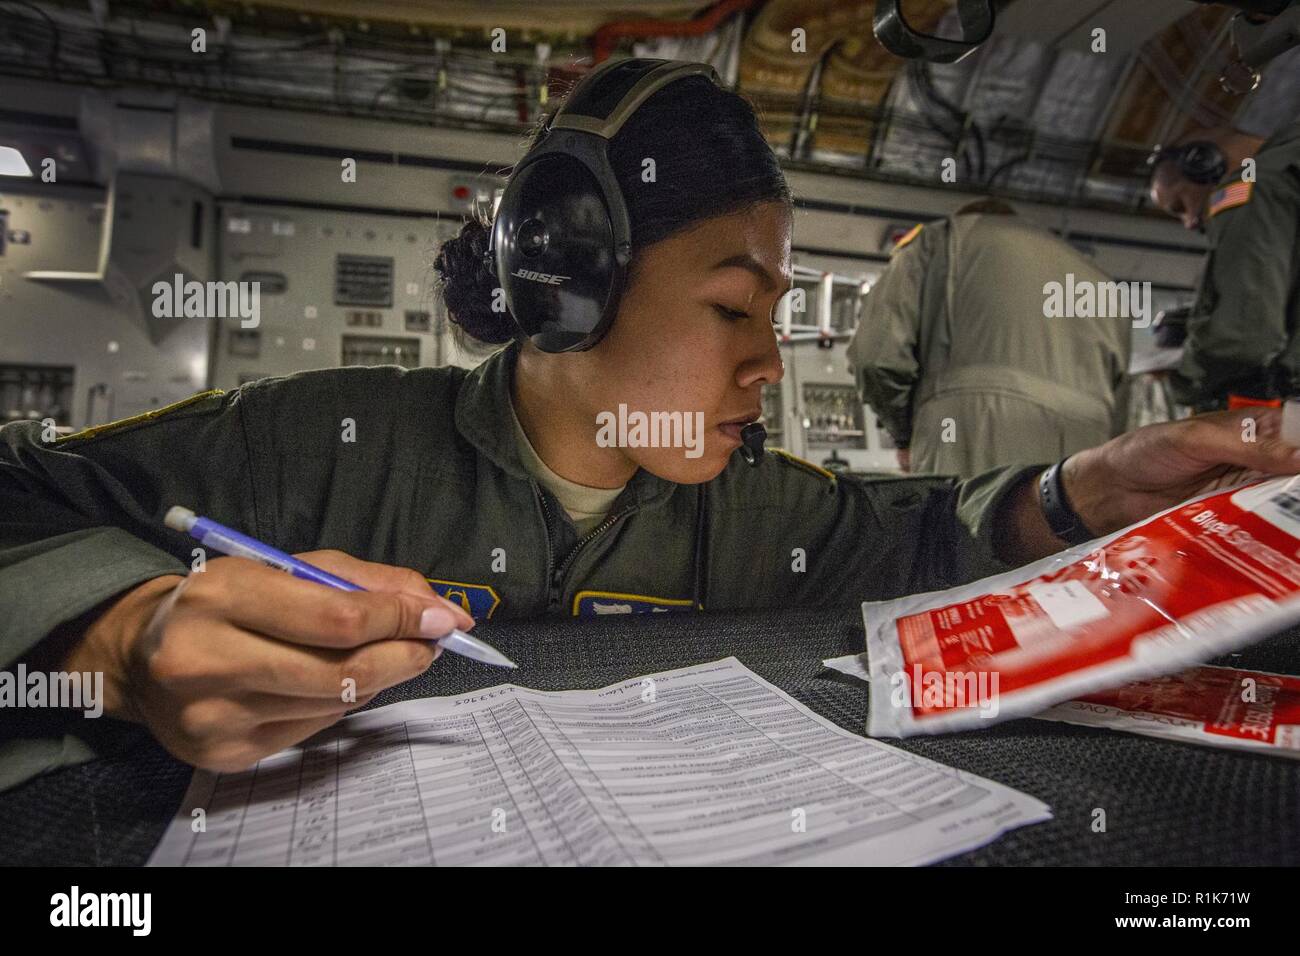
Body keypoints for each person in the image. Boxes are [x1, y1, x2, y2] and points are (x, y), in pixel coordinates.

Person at [1, 60, 1296, 793]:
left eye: (775, 314)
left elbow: (916, 541)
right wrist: (118, 637)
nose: (767, 365)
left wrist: (1085, 486)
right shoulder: (308, 441)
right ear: (572, 281)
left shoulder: (760, 510)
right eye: (733, 308)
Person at [847, 199, 1132, 478]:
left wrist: (903, 435)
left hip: (973, 431)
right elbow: (1121, 397)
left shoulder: (940, 239)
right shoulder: (1100, 280)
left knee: (971, 523)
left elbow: (875, 356)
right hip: (1088, 446)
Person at [1148, 123, 1300, 411]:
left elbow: (1245, 337)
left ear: (1204, 163)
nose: (1190, 222)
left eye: (1180, 205)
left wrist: (1183, 377)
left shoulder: (1251, 186)